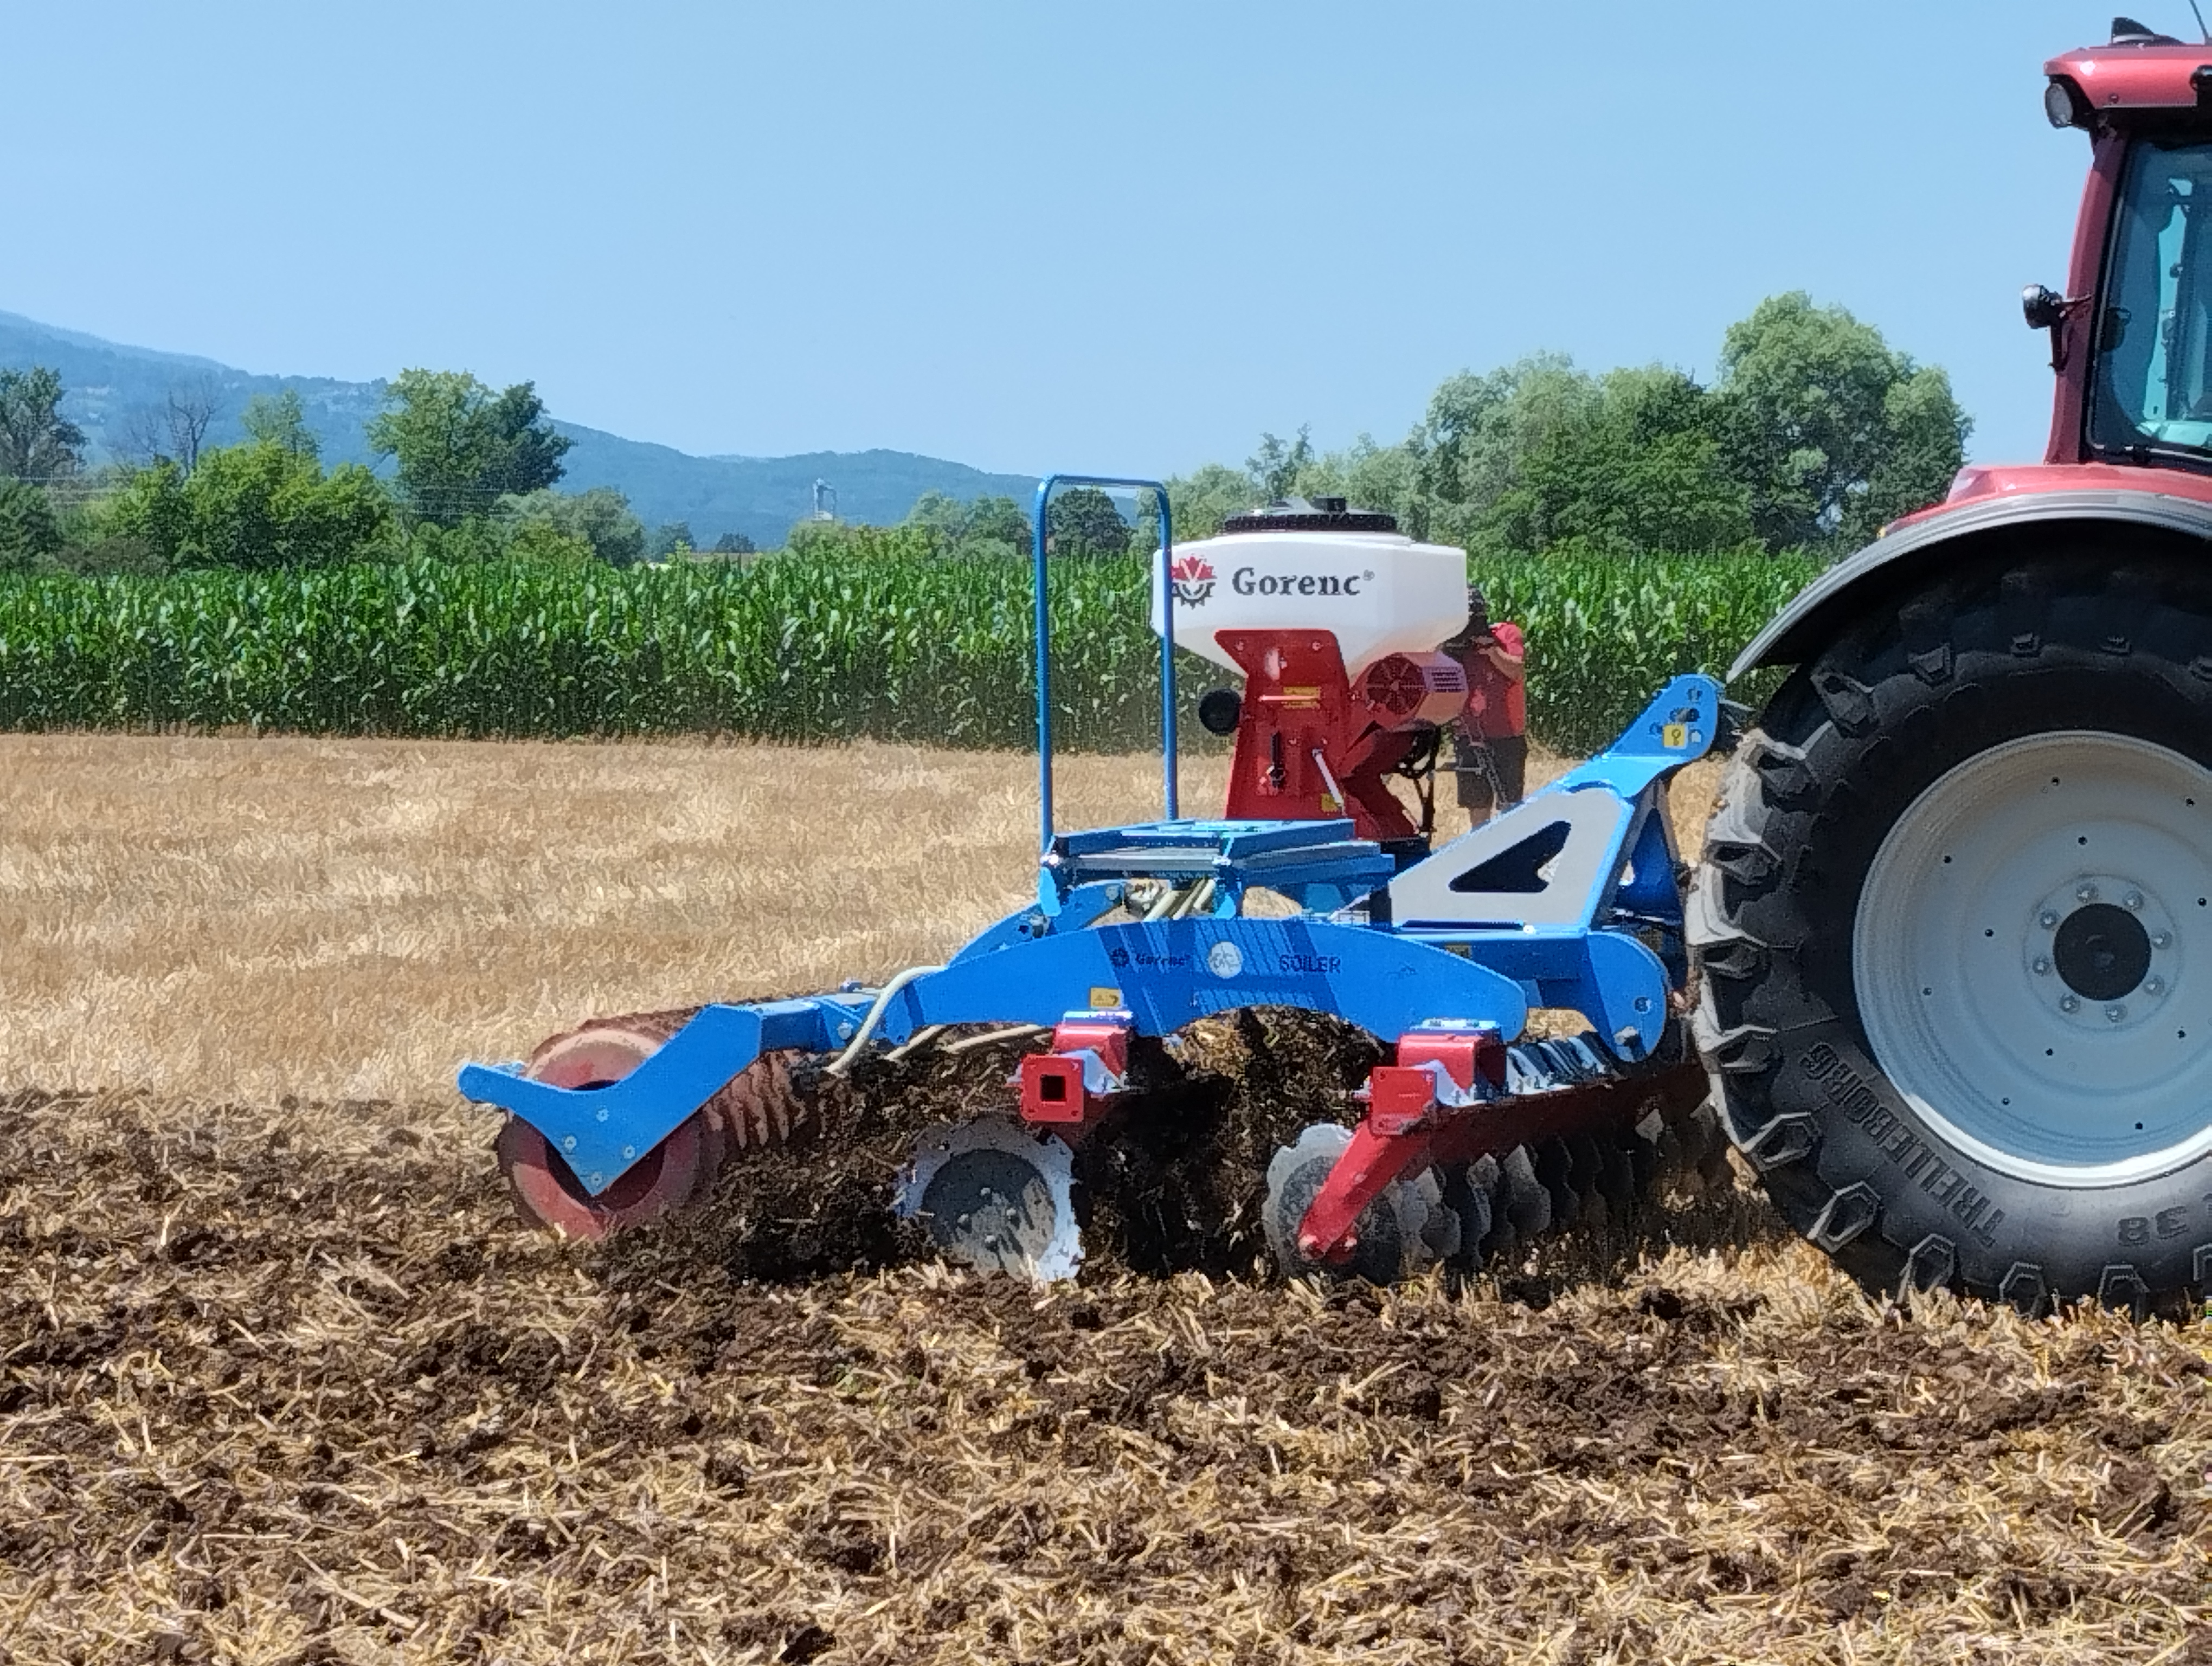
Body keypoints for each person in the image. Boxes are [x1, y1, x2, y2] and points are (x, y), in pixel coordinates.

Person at [1442, 585, 1526, 829]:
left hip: (1507, 735)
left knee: (1510, 807)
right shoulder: (1455, 645)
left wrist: (1490, 650)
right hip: (1468, 735)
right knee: (1477, 807)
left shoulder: (1506, 634)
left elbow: (1516, 669)